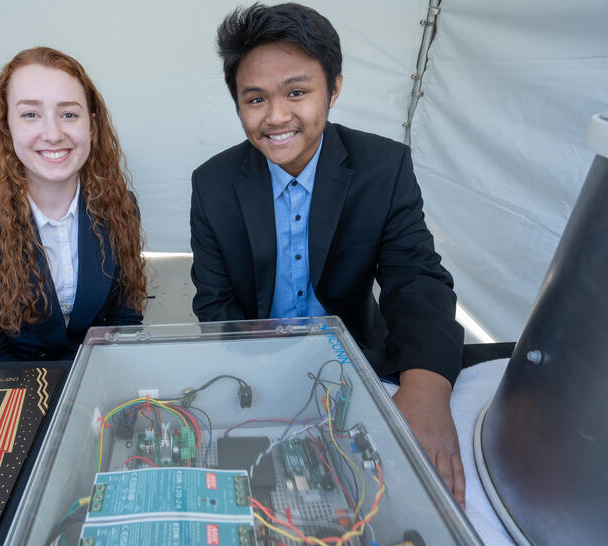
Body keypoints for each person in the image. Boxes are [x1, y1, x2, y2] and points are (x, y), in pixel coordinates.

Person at [190, 4, 467, 505]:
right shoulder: (212, 185)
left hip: (360, 364)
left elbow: (418, 279)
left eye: (297, 92)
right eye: (255, 99)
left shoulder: (384, 167)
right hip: (257, 375)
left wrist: (426, 389)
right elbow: (215, 305)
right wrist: (254, 381)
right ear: (237, 103)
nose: (276, 117)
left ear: (333, 88)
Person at [0, 47, 145, 362]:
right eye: (30, 114)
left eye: (68, 114)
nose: (52, 133)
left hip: (99, 373)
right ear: (6, 126)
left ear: (91, 125)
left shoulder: (120, 206)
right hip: (18, 386)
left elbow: (125, 320)